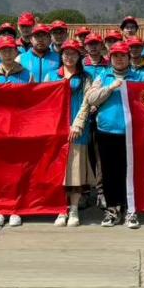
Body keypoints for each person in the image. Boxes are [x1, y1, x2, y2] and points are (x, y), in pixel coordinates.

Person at [85, 42, 144, 228]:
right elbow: (91, 98)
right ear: (110, 58)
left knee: (130, 172)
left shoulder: (139, 77)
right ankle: (112, 210)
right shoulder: (102, 76)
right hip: (107, 131)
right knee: (109, 172)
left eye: (123, 56)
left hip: (131, 133)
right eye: (116, 56)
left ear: (129, 57)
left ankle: (131, 210)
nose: (119, 59)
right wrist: (110, 88)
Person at [0, 36, 32, 227]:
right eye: (3, 50)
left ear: (16, 52)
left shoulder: (27, 75)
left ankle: (16, 209)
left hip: (19, 129)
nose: (7, 53)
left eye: (11, 50)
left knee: (18, 171)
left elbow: (33, 101)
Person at [46, 39, 93, 227]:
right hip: (56, 130)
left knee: (75, 171)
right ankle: (60, 208)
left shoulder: (85, 77)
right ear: (61, 55)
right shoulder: (51, 75)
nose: (69, 57)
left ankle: (73, 209)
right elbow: (45, 102)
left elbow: (87, 103)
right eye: (66, 53)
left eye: (73, 54)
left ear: (79, 56)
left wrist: (78, 125)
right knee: (58, 172)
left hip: (78, 130)